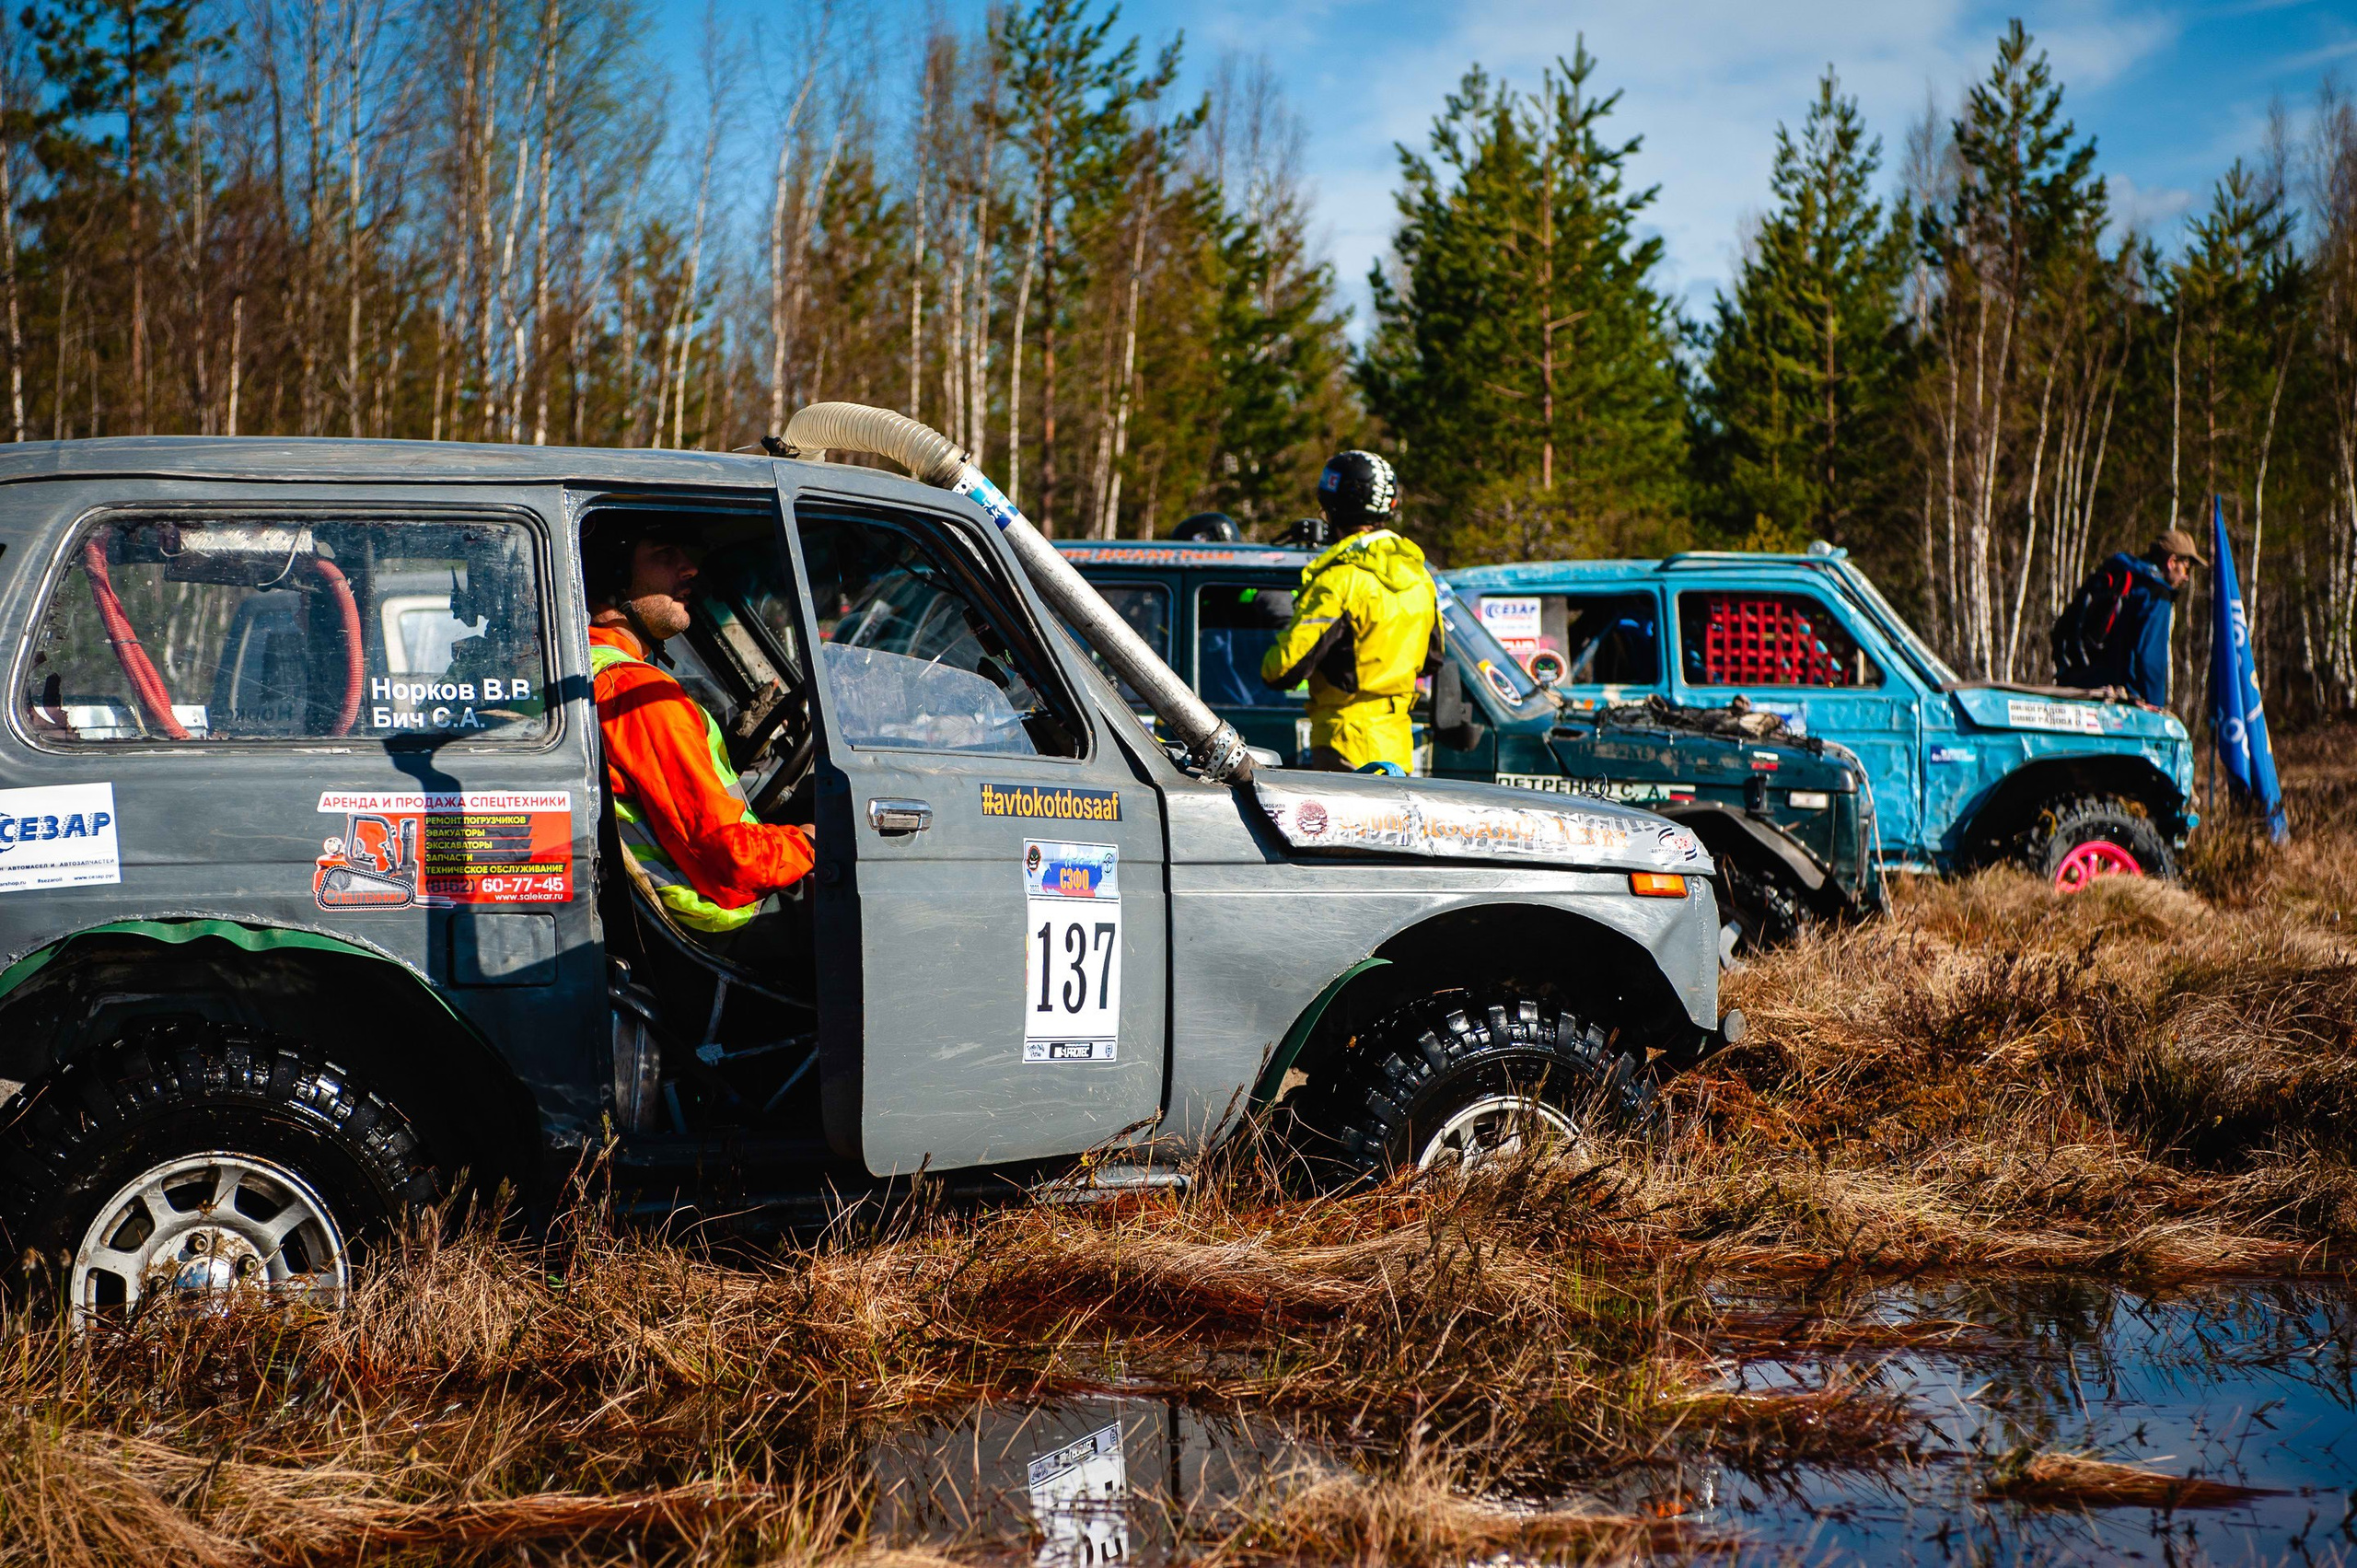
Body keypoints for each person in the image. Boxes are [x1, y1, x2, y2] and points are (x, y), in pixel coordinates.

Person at [585, 518, 814, 967]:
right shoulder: (636, 692)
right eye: (664, 554)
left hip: (665, 923)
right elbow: (731, 860)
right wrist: (808, 842)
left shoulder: (589, 670)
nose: (689, 568)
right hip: (713, 925)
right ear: (614, 573)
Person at [1260, 450, 1442, 772]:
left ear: (1332, 510)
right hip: (1397, 749)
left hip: (1343, 746)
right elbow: (1432, 659)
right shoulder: (1420, 578)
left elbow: (1282, 670)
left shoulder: (1338, 580)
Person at [2052, 527, 2207, 707]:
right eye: (2186, 567)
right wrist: (2155, 706)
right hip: (2117, 696)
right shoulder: (2157, 593)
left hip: (2078, 683)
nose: (2186, 577)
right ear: (2172, 562)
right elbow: (2150, 659)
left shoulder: (2118, 575)